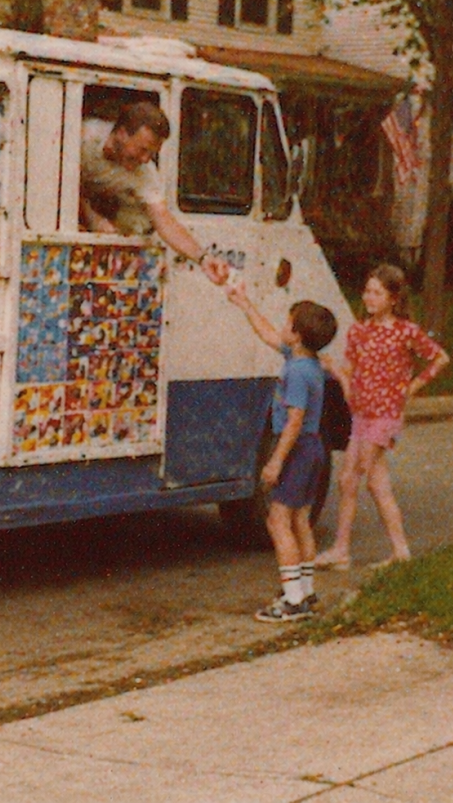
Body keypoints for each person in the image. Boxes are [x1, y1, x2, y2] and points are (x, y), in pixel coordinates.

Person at [315, 264, 450, 571]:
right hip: (361, 415)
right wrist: (335, 370)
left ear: (393, 298)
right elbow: (350, 374)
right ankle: (346, 550)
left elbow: (440, 358)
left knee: (368, 475)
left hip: (385, 416)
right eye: (367, 291)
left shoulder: (406, 331)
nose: (369, 298)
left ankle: (390, 550)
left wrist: (411, 387)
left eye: (377, 293)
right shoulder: (358, 331)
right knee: (353, 480)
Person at [226, 280, 338, 622]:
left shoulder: (298, 373)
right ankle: (305, 589)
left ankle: (292, 601)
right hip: (314, 448)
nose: (282, 326)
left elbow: (294, 421)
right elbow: (268, 335)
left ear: (298, 335)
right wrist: (244, 304)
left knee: (277, 521)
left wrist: (275, 461)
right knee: (300, 519)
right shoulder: (306, 360)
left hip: (296, 449)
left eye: (288, 322)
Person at [79, 101, 229, 284]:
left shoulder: (144, 172)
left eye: (151, 154)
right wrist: (90, 215)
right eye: (142, 149)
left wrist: (203, 258)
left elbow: (163, 220)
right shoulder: (84, 134)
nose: (145, 159)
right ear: (122, 133)